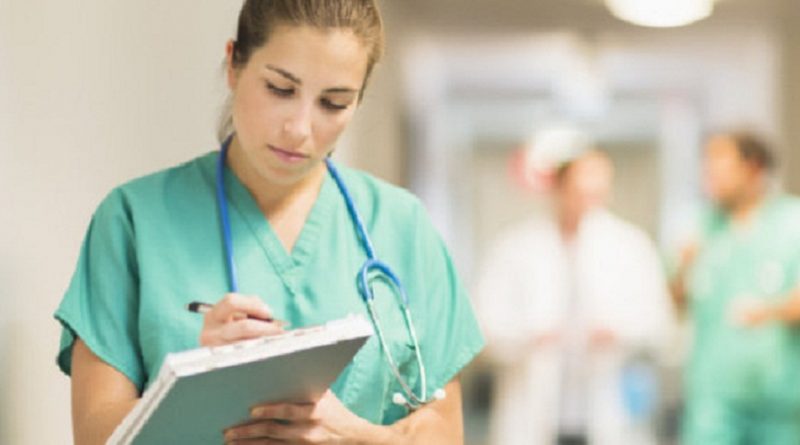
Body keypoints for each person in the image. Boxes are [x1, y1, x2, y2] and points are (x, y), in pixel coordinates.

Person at [53, 1, 484, 444]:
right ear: (234, 65)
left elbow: (445, 430)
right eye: (280, 89)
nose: (300, 128)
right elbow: (94, 434)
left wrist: (354, 437)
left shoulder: (401, 225)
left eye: (334, 103)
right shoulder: (133, 222)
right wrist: (198, 386)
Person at [476, 130, 672, 445]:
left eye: (597, 192)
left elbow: (657, 320)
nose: (588, 201)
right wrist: (531, 333)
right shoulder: (516, 247)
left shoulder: (630, 246)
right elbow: (485, 324)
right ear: (558, 187)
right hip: (532, 410)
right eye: (580, 190)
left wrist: (617, 331)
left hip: (607, 406)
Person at [672, 131, 800, 444]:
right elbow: (678, 302)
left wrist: (769, 311)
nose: (710, 176)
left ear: (753, 168)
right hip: (712, 396)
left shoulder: (791, 222)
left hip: (779, 398)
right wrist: (685, 266)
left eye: (719, 166)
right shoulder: (703, 225)